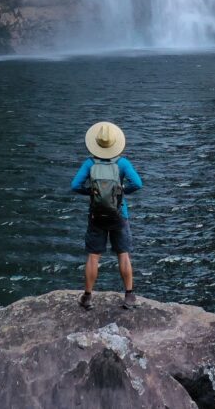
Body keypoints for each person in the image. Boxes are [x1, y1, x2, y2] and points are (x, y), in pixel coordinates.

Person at [70, 121, 143, 310]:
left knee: (93, 256)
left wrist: (92, 193)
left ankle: (87, 297)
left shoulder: (89, 163)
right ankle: (129, 295)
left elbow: (75, 186)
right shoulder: (122, 163)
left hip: (96, 215)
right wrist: (120, 192)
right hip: (119, 214)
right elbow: (137, 183)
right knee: (123, 254)